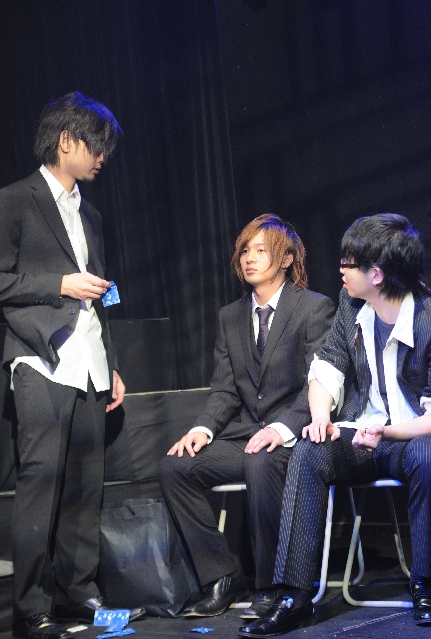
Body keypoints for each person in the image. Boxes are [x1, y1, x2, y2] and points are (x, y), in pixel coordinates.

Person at [239, 213, 431, 637]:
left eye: (349, 263)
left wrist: (387, 432)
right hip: (364, 430)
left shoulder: (427, 317)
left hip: (412, 435)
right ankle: (293, 595)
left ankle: (426, 584)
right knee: (309, 451)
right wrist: (322, 417)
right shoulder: (352, 303)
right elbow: (327, 367)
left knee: (428, 455)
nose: (340, 269)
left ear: (377, 274)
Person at [0, 91, 144, 639]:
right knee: (42, 482)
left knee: (87, 483)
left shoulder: (92, 214)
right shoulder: (16, 200)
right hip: (40, 356)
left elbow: (102, 294)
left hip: (89, 360)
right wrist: (59, 283)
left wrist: (112, 363)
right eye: (96, 146)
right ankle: (31, 608)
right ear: (66, 141)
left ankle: (80, 593)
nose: (102, 158)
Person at [158, 213, 334, 619]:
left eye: (261, 250)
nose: (249, 258)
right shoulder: (230, 316)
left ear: (286, 259)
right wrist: (202, 428)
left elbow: (320, 384)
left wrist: (281, 428)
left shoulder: (313, 308)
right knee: (174, 467)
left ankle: (270, 586)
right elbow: (224, 388)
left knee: (261, 460)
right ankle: (221, 576)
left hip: (293, 436)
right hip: (246, 435)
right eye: (244, 251)